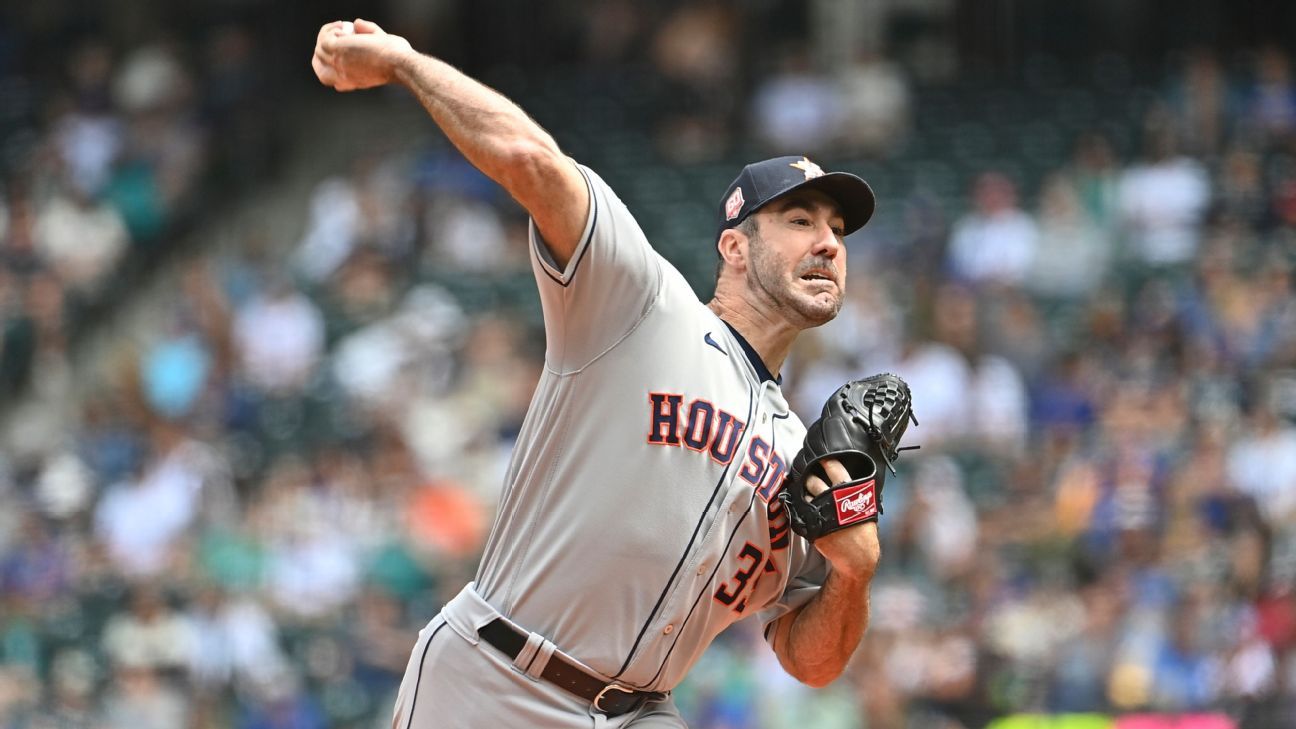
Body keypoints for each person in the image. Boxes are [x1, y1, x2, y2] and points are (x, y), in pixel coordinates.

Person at [312, 19, 884, 728]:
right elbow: (531, 161)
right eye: (800, 219)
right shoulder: (643, 304)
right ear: (734, 246)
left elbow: (813, 662)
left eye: (838, 230)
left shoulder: (803, 457)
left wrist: (853, 574)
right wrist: (405, 63)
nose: (829, 242)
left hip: (641, 713)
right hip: (496, 680)